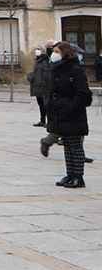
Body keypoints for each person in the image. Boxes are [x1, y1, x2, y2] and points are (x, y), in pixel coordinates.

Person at [42, 41, 91, 189]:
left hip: (73, 115)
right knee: (67, 147)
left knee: (75, 147)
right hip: (61, 115)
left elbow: (84, 95)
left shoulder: (75, 70)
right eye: (53, 51)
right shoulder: (57, 69)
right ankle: (70, 175)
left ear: (65, 53)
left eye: (57, 51)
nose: (54, 54)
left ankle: (78, 177)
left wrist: (70, 108)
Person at [28, 46, 51, 127]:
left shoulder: (45, 60)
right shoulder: (38, 60)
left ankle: (48, 121)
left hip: (42, 86)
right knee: (41, 104)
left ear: (44, 50)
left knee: (45, 104)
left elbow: (45, 74)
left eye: (39, 49)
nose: (37, 50)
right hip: (37, 85)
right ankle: (42, 120)